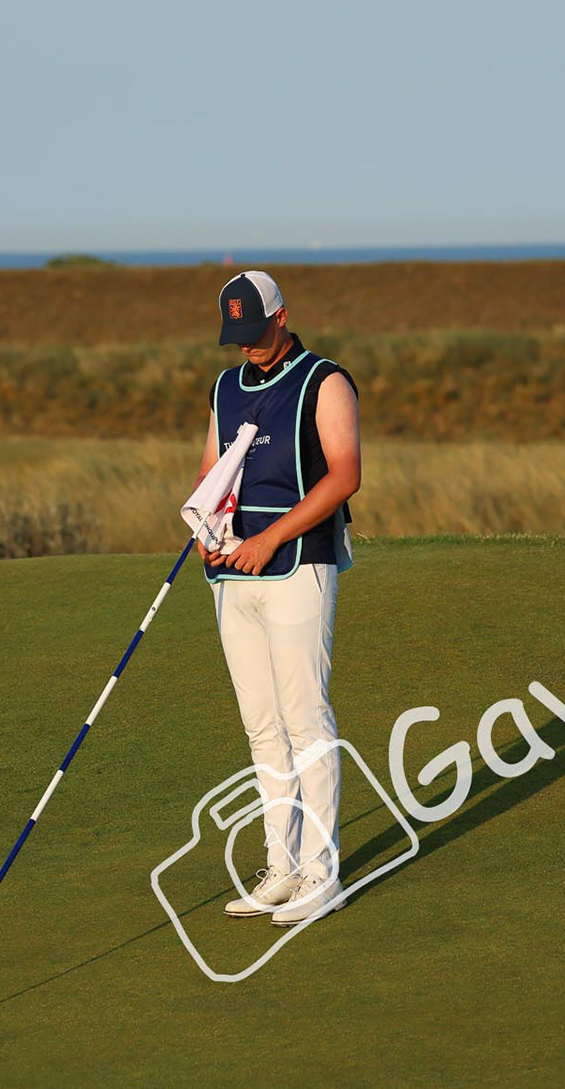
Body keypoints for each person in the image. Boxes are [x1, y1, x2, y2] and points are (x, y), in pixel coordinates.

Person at [196, 270, 361, 927]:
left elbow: (345, 474)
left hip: (298, 566)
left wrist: (270, 539)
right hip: (234, 574)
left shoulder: (325, 380)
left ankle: (323, 873)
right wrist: (207, 534)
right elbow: (211, 473)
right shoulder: (226, 386)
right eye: (236, 337)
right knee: (262, 727)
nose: (247, 348)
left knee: (304, 720)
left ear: (283, 317)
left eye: (256, 333)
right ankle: (283, 867)